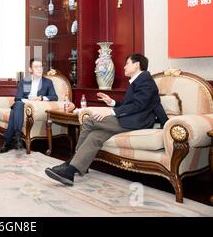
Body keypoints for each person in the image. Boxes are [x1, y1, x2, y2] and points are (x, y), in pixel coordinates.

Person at [45, 53, 168, 186]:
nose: (124, 67)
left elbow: (138, 105)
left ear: (137, 64)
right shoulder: (139, 81)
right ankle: (70, 172)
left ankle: (71, 161)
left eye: (127, 63)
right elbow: (136, 104)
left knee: (89, 121)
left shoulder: (145, 80)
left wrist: (112, 111)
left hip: (135, 122)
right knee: (95, 136)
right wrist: (113, 102)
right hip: (129, 119)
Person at [0, 58, 75, 153]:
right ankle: (17, 137)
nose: (39, 69)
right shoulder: (24, 81)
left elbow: (54, 97)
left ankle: (9, 141)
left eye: (41, 66)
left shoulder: (47, 82)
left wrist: (41, 98)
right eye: (36, 67)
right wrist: (29, 100)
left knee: (15, 109)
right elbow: (18, 98)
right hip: (23, 104)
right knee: (18, 104)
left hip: (36, 107)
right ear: (30, 69)